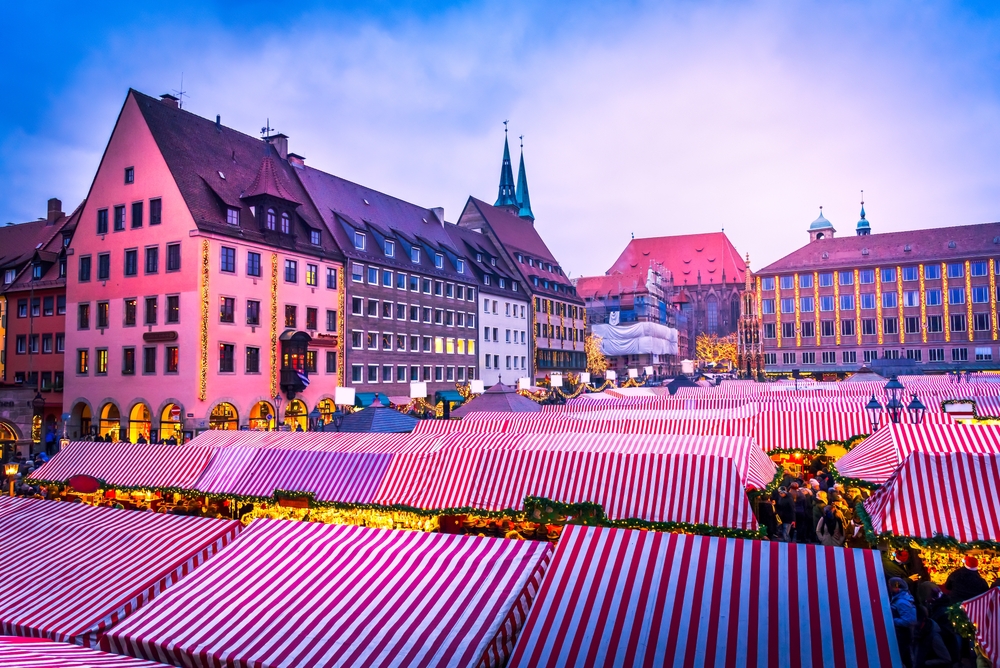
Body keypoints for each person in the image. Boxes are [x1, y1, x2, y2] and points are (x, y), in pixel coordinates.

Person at [889, 577, 917, 668]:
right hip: (903, 634)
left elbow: (908, 621)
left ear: (896, 588)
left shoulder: (901, 602)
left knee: (902, 657)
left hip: (902, 635)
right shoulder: (900, 598)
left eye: (890, 586)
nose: (889, 588)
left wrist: (891, 621)